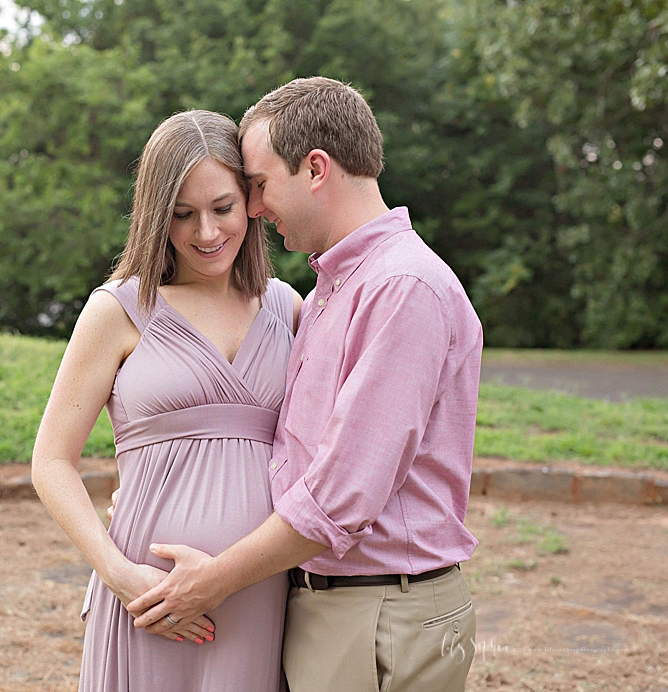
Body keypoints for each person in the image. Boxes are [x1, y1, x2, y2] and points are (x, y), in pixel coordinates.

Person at [125, 77, 482, 692]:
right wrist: (165, 491)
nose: (254, 209)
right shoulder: (328, 291)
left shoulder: (402, 288)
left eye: (260, 186)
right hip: (327, 607)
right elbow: (281, 446)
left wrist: (210, 582)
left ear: (315, 168)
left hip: (378, 615)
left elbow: (341, 494)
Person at [31, 110, 303, 692]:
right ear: (156, 215)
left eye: (222, 208)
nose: (205, 233)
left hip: (259, 594)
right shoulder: (118, 310)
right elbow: (51, 461)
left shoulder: (288, 308)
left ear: (252, 203)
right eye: (182, 215)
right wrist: (118, 573)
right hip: (147, 598)